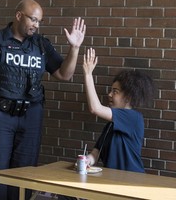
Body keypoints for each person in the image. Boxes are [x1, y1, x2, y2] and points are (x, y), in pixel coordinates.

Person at [0, 0, 86, 200]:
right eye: (33, 19)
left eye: (39, 21)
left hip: (31, 116)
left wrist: (74, 48)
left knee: (25, 175)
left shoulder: (41, 45)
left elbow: (64, 74)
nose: (36, 25)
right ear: (19, 15)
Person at [58, 48, 155, 200]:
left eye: (115, 91)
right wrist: (86, 162)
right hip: (110, 182)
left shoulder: (134, 118)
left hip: (131, 185)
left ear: (128, 96)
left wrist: (88, 73)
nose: (109, 94)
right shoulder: (111, 124)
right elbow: (95, 153)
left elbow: (95, 108)